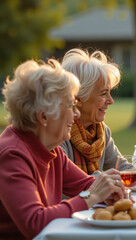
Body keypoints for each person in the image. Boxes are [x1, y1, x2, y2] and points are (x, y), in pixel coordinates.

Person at [0, 59, 126, 239]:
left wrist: (109, 190)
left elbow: (85, 185)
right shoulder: (12, 154)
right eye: (70, 105)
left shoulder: (50, 147)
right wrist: (92, 196)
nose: (76, 114)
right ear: (43, 116)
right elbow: (35, 223)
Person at [60, 48, 133, 177]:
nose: (111, 101)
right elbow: (68, 182)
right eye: (104, 94)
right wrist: (106, 178)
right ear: (79, 97)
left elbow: (121, 167)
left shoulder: (101, 131)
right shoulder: (60, 133)